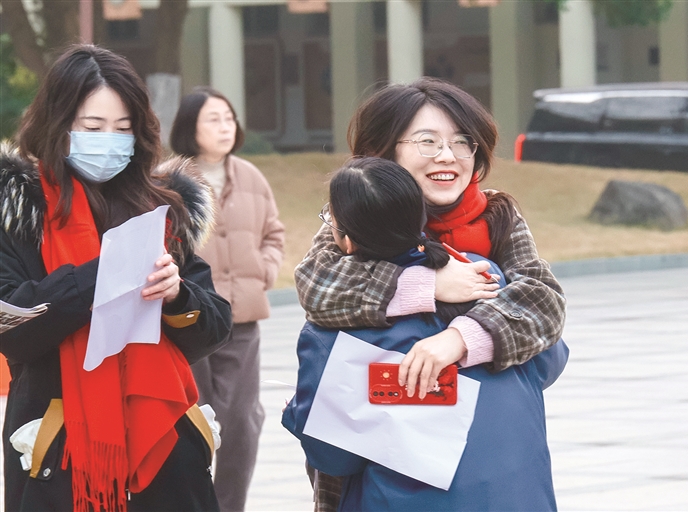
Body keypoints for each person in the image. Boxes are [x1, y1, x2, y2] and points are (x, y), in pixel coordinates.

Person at [0, 44, 232, 511]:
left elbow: (215, 327)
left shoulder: (162, 207)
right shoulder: (21, 210)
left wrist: (177, 296)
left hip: (165, 449)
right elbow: (13, 330)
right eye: (93, 127)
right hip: (58, 450)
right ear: (58, 125)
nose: (109, 140)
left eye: (123, 128)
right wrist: (101, 275)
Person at [282, 157, 569, 510]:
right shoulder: (486, 276)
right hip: (519, 495)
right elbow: (550, 360)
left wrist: (297, 414)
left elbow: (333, 456)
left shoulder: (335, 332)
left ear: (348, 242)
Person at [295, 77, 566, 399]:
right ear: (383, 150)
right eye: (428, 141)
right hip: (380, 409)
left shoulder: (497, 214)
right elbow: (317, 286)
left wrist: (460, 339)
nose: (447, 156)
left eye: (462, 142)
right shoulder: (361, 209)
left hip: (484, 405)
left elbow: (544, 301)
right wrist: (428, 284)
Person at [170, 86, 285, 512]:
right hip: (187, 321)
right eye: (213, 119)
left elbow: (274, 234)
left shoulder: (251, 176)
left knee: (240, 422)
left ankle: (228, 506)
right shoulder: (168, 180)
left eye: (229, 118)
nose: (225, 127)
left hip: (242, 319)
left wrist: (264, 271)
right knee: (190, 419)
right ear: (190, 127)